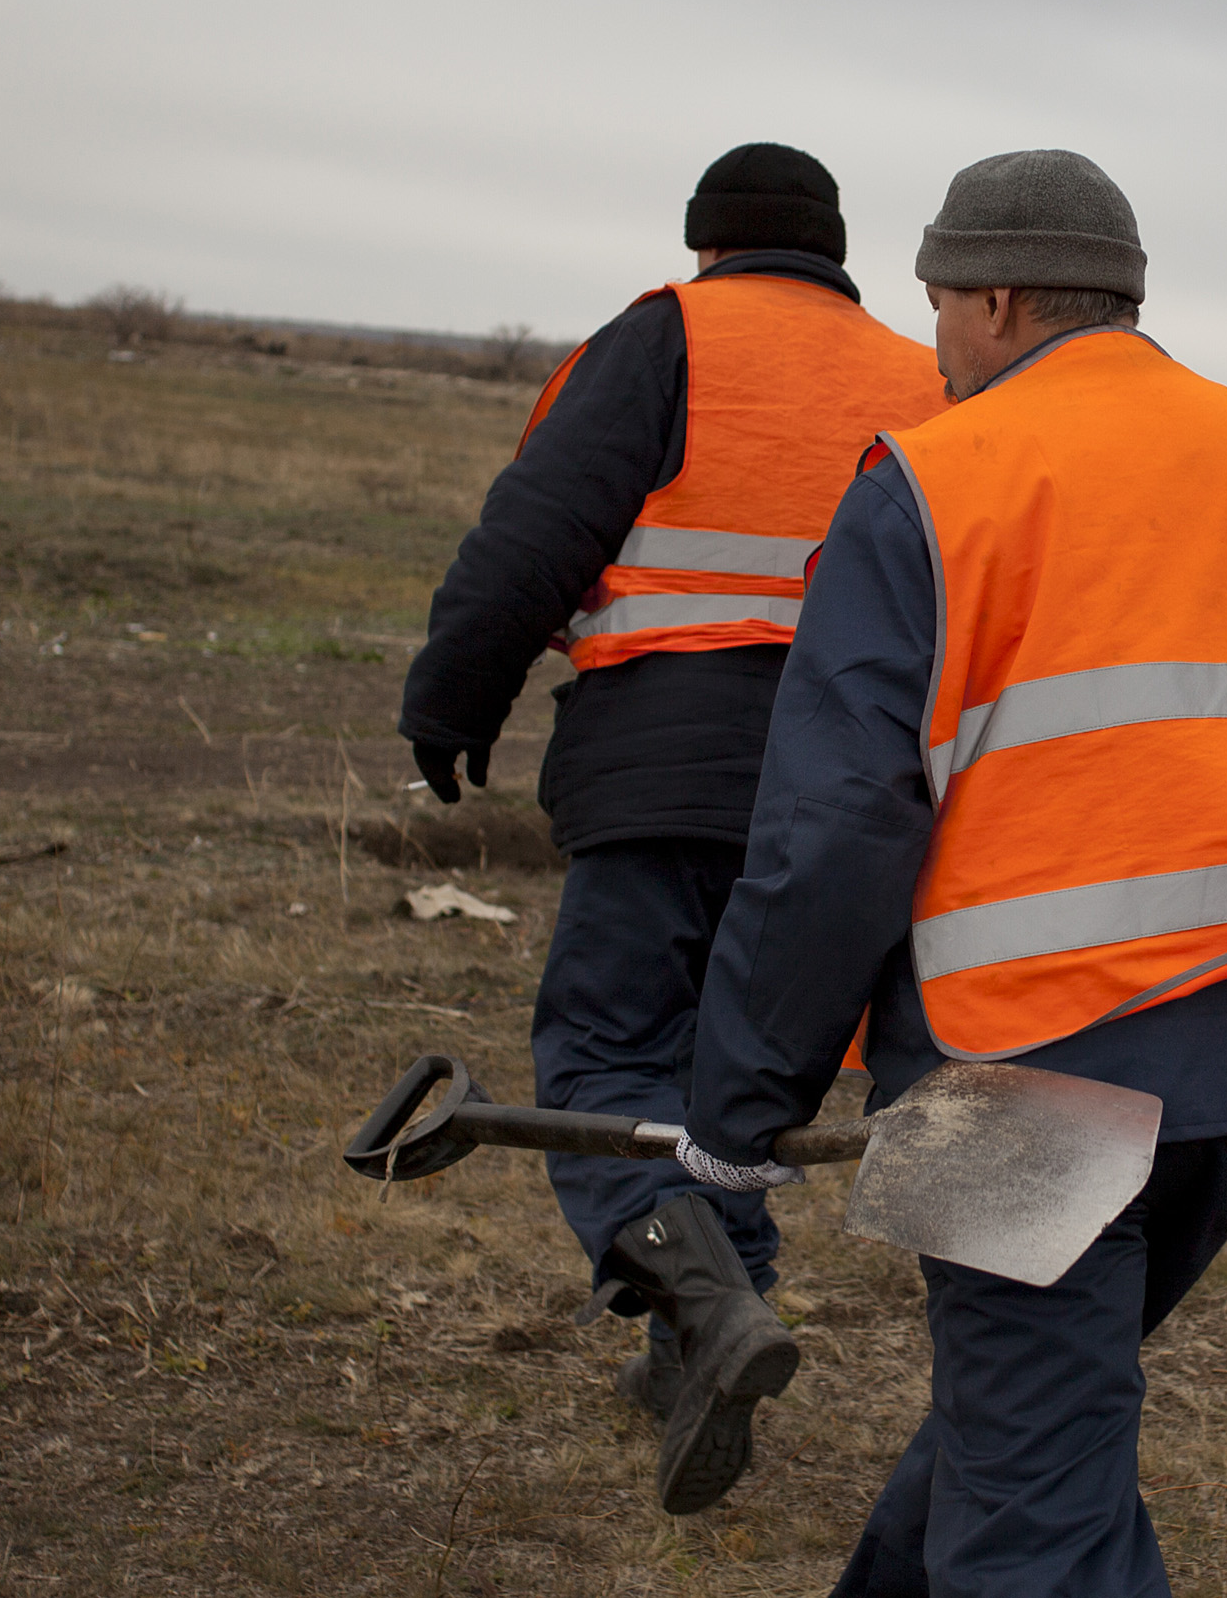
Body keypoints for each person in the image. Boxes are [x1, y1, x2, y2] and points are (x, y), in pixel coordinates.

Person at [677, 149, 1227, 1592]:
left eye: (938, 303)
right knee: (1025, 1422)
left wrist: (737, 1111)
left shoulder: (929, 485)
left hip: (1005, 1079)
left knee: (1032, 1500)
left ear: (997, 299)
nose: (930, 339)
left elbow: (834, 830)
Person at [398, 142, 945, 1514]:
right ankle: (690, 1345)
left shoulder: (668, 336)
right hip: (862, 787)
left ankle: (701, 1304)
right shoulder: (916, 373)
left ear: (704, 242)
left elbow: (535, 530)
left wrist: (454, 692)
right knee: (738, 1070)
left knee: (597, 1053)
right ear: (836, 249)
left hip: (667, 768)